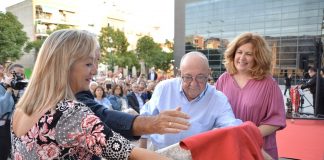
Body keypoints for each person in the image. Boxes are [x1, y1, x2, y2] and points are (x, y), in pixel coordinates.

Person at [11, 29, 169, 159]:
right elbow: (129, 154)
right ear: (65, 66)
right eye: (88, 63)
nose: (94, 70)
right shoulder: (68, 112)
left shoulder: (19, 110)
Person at [140, 51, 242, 150]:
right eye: (188, 77)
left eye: (200, 77)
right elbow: (145, 118)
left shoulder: (218, 99)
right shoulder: (164, 88)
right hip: (158, 153)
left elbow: (231, 127)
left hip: (195, 156)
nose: (193, 84)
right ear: (180, 73)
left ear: (209, 73)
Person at [215, 32, 286, 160]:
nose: (242, 57)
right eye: (239, 52)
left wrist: (247, 135)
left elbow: (276, 120)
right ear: (233, 54)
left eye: (249, 54)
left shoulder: (269, 84)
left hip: (259, 148)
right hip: (228, 147)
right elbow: (213, 112)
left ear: (258, 58)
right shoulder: (223, 80)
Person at [0, 63, 26, 160]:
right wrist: (9, 89)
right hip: (3, 131)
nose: (19, 77)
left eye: (21, 74)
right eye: (15, 74)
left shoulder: (22, 88)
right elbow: (2, 109)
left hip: (16, 130)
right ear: (7, 74)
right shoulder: (1, 88)